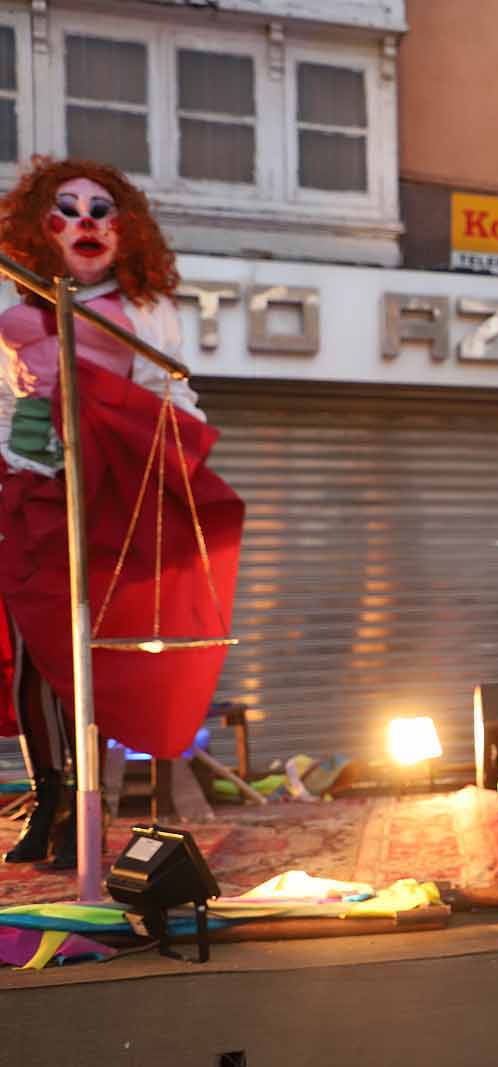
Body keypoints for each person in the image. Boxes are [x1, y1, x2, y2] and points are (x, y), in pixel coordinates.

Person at [0, 157, 244, 866]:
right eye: (66, 208)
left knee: (88, 646)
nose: (84, 222)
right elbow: (9, 403)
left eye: (100, 210)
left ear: (124, 228)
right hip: (32, 484)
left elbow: (168, 393)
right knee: (36, 645)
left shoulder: (144, 309)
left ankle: (85, 800)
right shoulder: (13, 300)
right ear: (37, 224)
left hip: (113, 487)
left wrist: (183, 464)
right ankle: (50, 794)